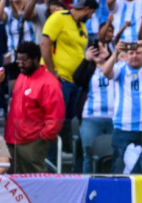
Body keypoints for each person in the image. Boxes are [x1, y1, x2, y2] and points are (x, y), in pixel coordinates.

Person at [100, 33, 142, 173]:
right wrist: (116, 52)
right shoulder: (120, 68)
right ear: (126, 55)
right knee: (120, 168)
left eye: (138, 53)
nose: (134, 56)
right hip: (123, 127)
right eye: (131, 53)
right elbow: (105, 72)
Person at [42, 0, 98, 156]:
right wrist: (52, 72)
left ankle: (61, 158)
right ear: (87, 9)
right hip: (59, 80)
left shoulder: (82, 26)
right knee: (54, 121)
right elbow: (45, 43)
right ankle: (50, 161)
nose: (91, 16)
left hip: (75, 82)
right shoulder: (59, 17)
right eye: (92, 13)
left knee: (67, 123)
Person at [5, 41, 64, 174]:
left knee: (36, 181)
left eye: (24, 61)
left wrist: (43, 136)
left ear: (36, 59)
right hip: (13, 138)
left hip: (33, 141)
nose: (20, 65)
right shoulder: (21, 76)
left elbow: (56, 115)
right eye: (18, 61)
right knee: (14, 183)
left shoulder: (49, 82)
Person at [75, 41, 115, 174]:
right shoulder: (89, 68)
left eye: (102, 48)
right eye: (95, 49)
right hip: (91, 118)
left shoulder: (116, 67)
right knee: (89, 155)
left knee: (113, 155)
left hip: (114, 118)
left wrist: (109, 58)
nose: (99, 52)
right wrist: (86, 61)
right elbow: (77, 80)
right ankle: (88, 185)